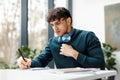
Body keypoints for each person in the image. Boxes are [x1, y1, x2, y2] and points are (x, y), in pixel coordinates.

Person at [17, 7, 105, 70]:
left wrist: (74, 54)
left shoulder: (88, 36)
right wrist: (29, 63)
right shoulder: (53, 42)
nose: (55, 28)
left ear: (68, 21)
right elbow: (41, 60)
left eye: (58, 23)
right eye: (52, 25)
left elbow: (99, 64)